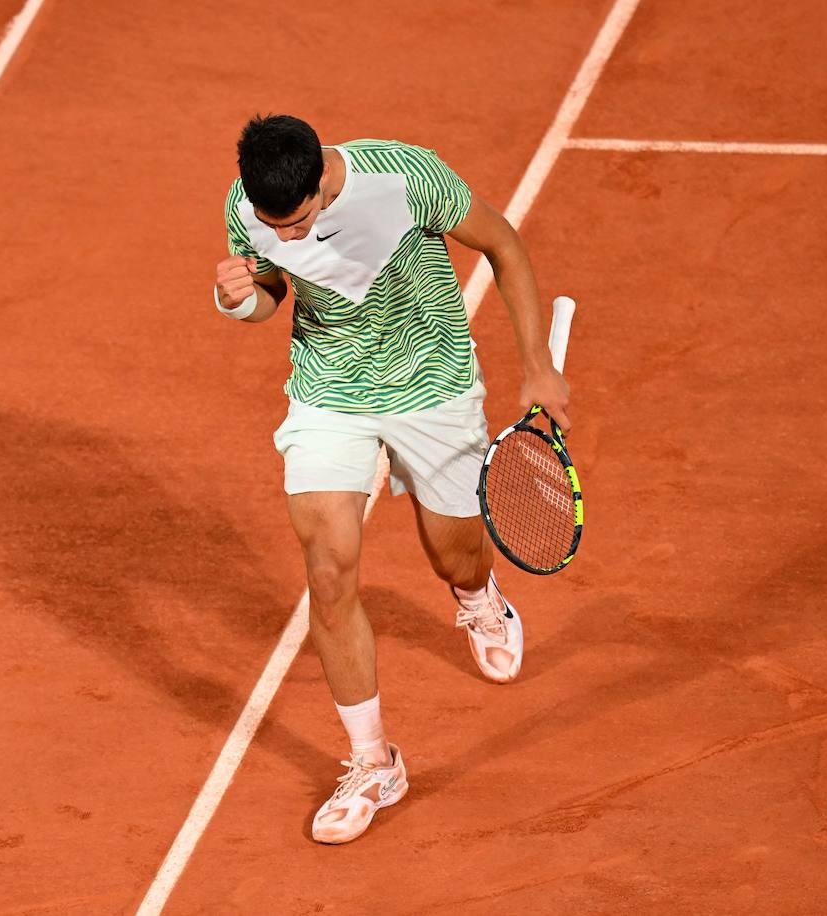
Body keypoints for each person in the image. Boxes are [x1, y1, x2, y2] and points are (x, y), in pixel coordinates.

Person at [213, 114, 571, 844]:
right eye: (272, 224)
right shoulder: (247, 207)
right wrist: (237, 298)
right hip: (328, 395)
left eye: (300, 220)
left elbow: (502, 243)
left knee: (455, 553)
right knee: (329, 567)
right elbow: (271, 294)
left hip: (433, 387)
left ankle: (476, 596)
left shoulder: (405, 176)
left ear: (321, 181)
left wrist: (537, 363)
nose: (285, 235)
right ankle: (374, 763)